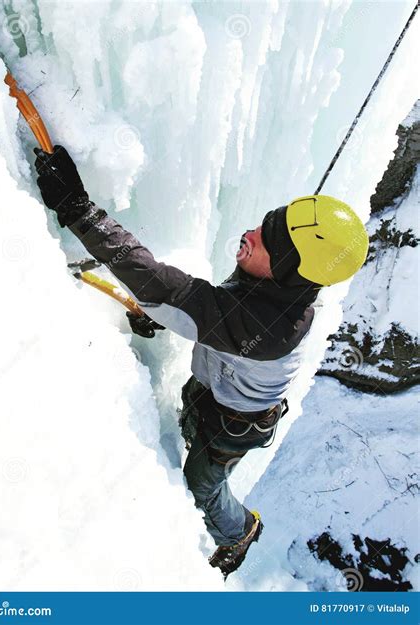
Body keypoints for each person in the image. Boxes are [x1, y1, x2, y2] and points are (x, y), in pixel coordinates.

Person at [34, 145, 369, 577]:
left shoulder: (265, 327)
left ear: (289, 270)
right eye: (266, 224)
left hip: (237, 424)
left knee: (203, 485)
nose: (250, 233)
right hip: (217, 390)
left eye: (268, 241)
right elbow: (207, 313)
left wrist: (78, 210)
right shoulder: (286, 285)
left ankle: (238, 532)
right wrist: (167, 315)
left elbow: (168, 290)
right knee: (190, 425)